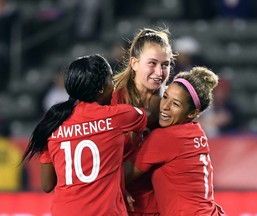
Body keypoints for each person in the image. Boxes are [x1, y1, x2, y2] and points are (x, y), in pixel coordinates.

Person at [21, 54, 148, 216]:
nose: (113, 86)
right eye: (111, 79)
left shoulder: (53, 123)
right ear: (101, 87)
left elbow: (47, 185)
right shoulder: (116, 117)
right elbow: (147, 115)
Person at [125, 66, 225, 215]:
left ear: (192, 113)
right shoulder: (195, 132)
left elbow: (121, 175)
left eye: (176, 104)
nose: (165, 107)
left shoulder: (166, 137)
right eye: (165, 97)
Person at [111, 27, 175, 215]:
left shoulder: (174, 105)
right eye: (152, 63)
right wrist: (117, 186)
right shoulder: (113, 100)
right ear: (134, 63)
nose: (159, 72)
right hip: (120, 203)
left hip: (158, 205)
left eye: (166, 64)